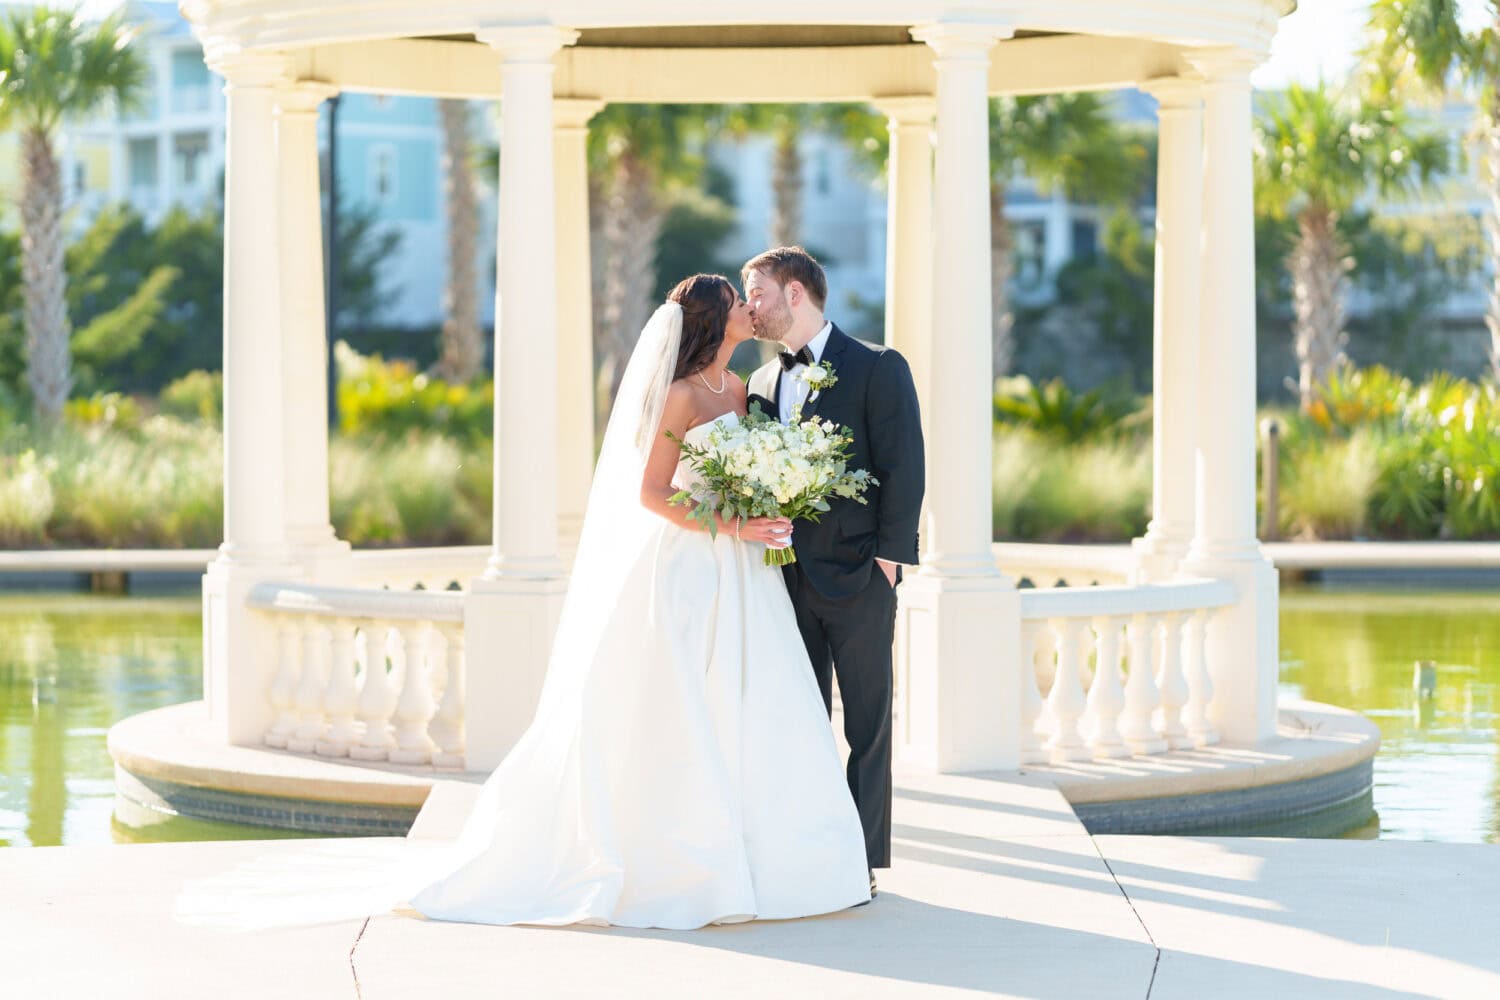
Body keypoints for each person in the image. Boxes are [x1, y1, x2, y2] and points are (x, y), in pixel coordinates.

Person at [399, 274, 872, 928]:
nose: (746, 306)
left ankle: (778, 862)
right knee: (685, 703)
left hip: (747, 574)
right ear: (712, 320)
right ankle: (685, 865)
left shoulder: (739, 389)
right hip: (690, 566)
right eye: (736, 301)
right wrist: (734, 524)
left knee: (757, 701)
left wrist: (771, 502)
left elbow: (750, 473)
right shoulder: (678, 396)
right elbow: (652, 493)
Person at [743, 247, 926, 896]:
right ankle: (808, 853)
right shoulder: (760, 386)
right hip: (785, 583)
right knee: (800, 721)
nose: (750, 305)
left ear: (796, 293)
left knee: (868, 725)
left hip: (861, 580)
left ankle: (863, 862)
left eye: (757, 291)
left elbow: (904, 465)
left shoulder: (878, 367)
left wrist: (888, 561)